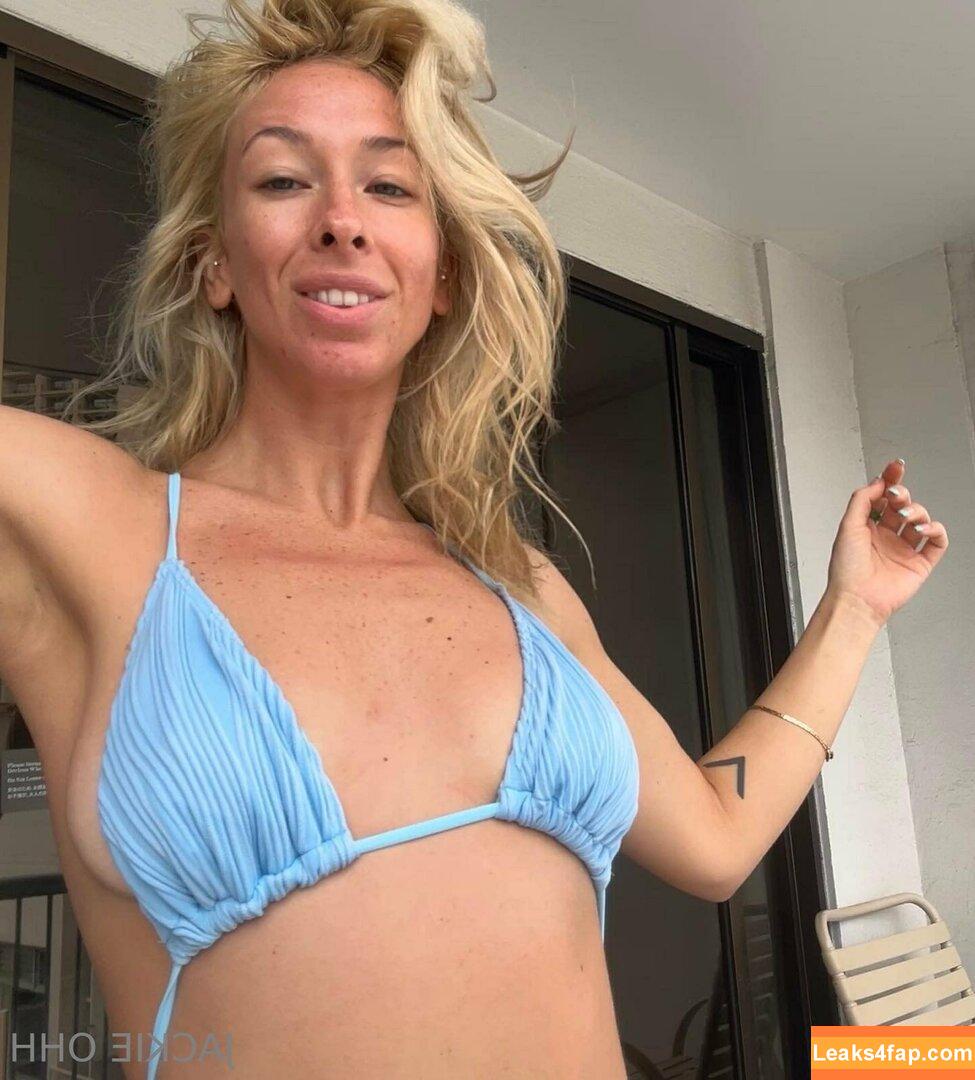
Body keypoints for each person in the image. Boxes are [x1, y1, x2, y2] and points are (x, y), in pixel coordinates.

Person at [0, 0, 948, 1077]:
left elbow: (714, 840)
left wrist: (855, 607)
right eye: (282, 180)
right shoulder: (84, 522)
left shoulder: (520, 586)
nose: (342, 219)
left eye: (389, 186)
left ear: (444, 273)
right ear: (214, 263)